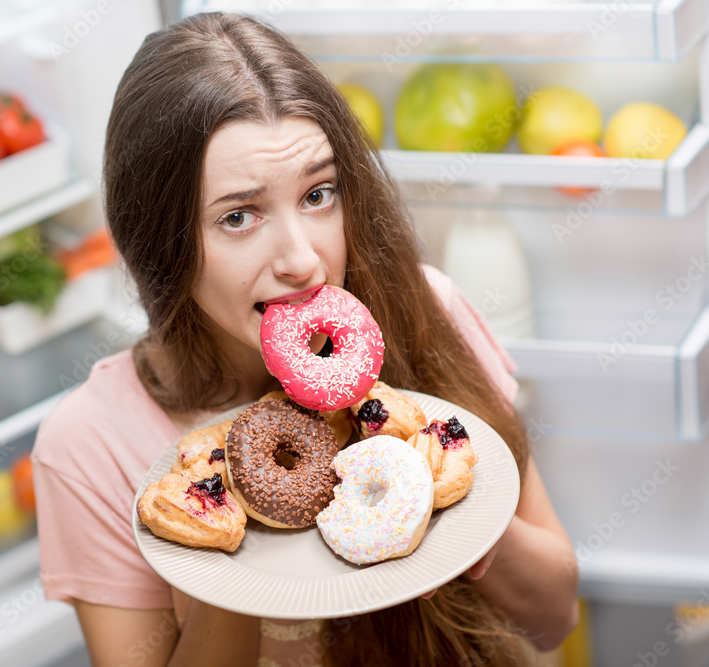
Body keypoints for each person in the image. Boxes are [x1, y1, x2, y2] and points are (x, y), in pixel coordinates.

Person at [31, 12, 579, 667]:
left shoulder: (427, 308)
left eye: (318, 194)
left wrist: (428, 494)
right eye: (239, 216)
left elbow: (554, 617)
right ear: (160, 245)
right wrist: (227, 527)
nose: (303, 259)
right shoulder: (91, 442)